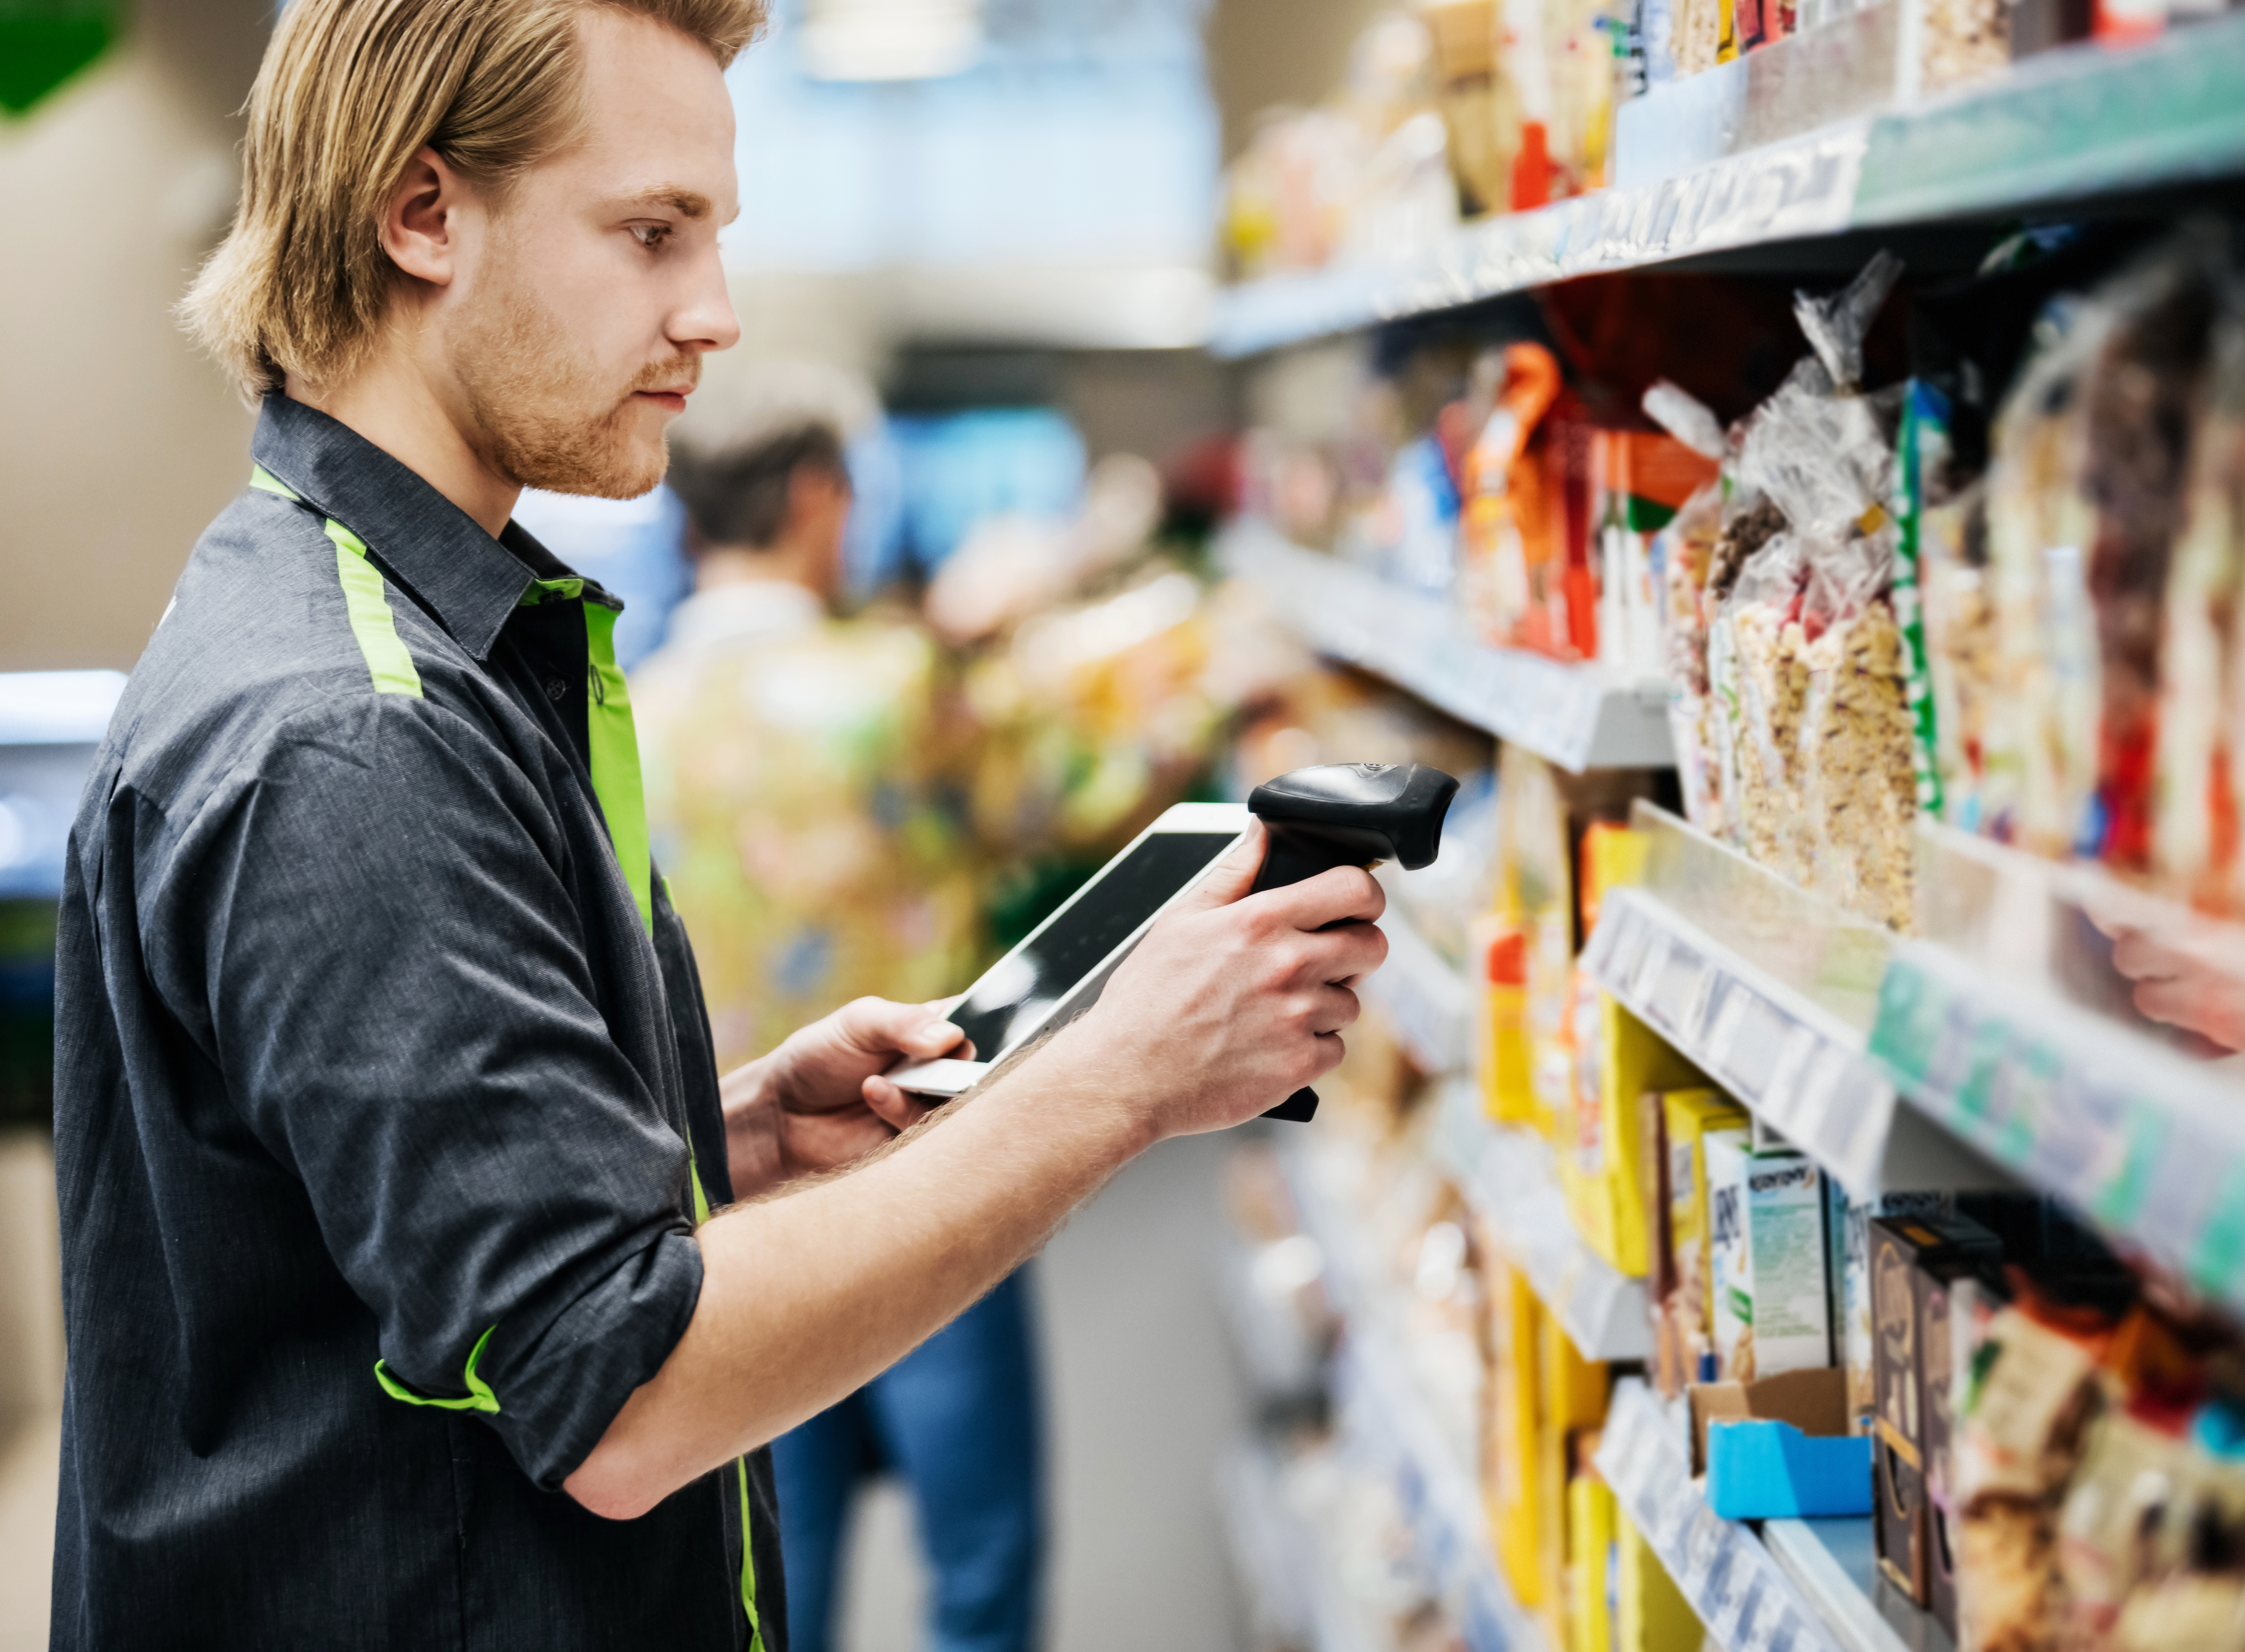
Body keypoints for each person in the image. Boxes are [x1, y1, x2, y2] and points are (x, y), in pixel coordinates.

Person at [49, 3, 1385, 1648]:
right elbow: (622, 1394)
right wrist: (1122, 1079)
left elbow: (375, 1230)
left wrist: (709, 1137)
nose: (716, 314)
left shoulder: (391, 628)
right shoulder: (357, 731)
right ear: (422, 215)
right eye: (650, 233)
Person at [636, 365, 1042, 1652]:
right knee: (977, 1555)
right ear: (820, 497)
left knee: (775, 1565)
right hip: (919, 1155)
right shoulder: (895, 687)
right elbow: (1058, 788)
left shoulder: (620, 719)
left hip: (724, 1205)